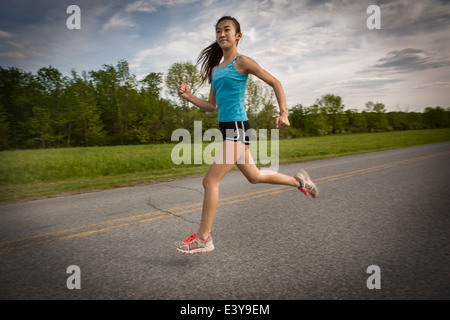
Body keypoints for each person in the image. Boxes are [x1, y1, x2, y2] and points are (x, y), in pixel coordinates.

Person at [174, 16, 318, 254]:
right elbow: (212, 106)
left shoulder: (242, 62)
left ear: (238, 36)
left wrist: (284, 113)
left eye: (227, 30)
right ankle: (300, 181)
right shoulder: (216, 70)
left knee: (210, 181)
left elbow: (275, 82)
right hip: (226, 129)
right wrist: (188, 97)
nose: (222, 34)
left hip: (238, 128)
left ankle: (203, 238)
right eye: (218, 31)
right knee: (255, 176)